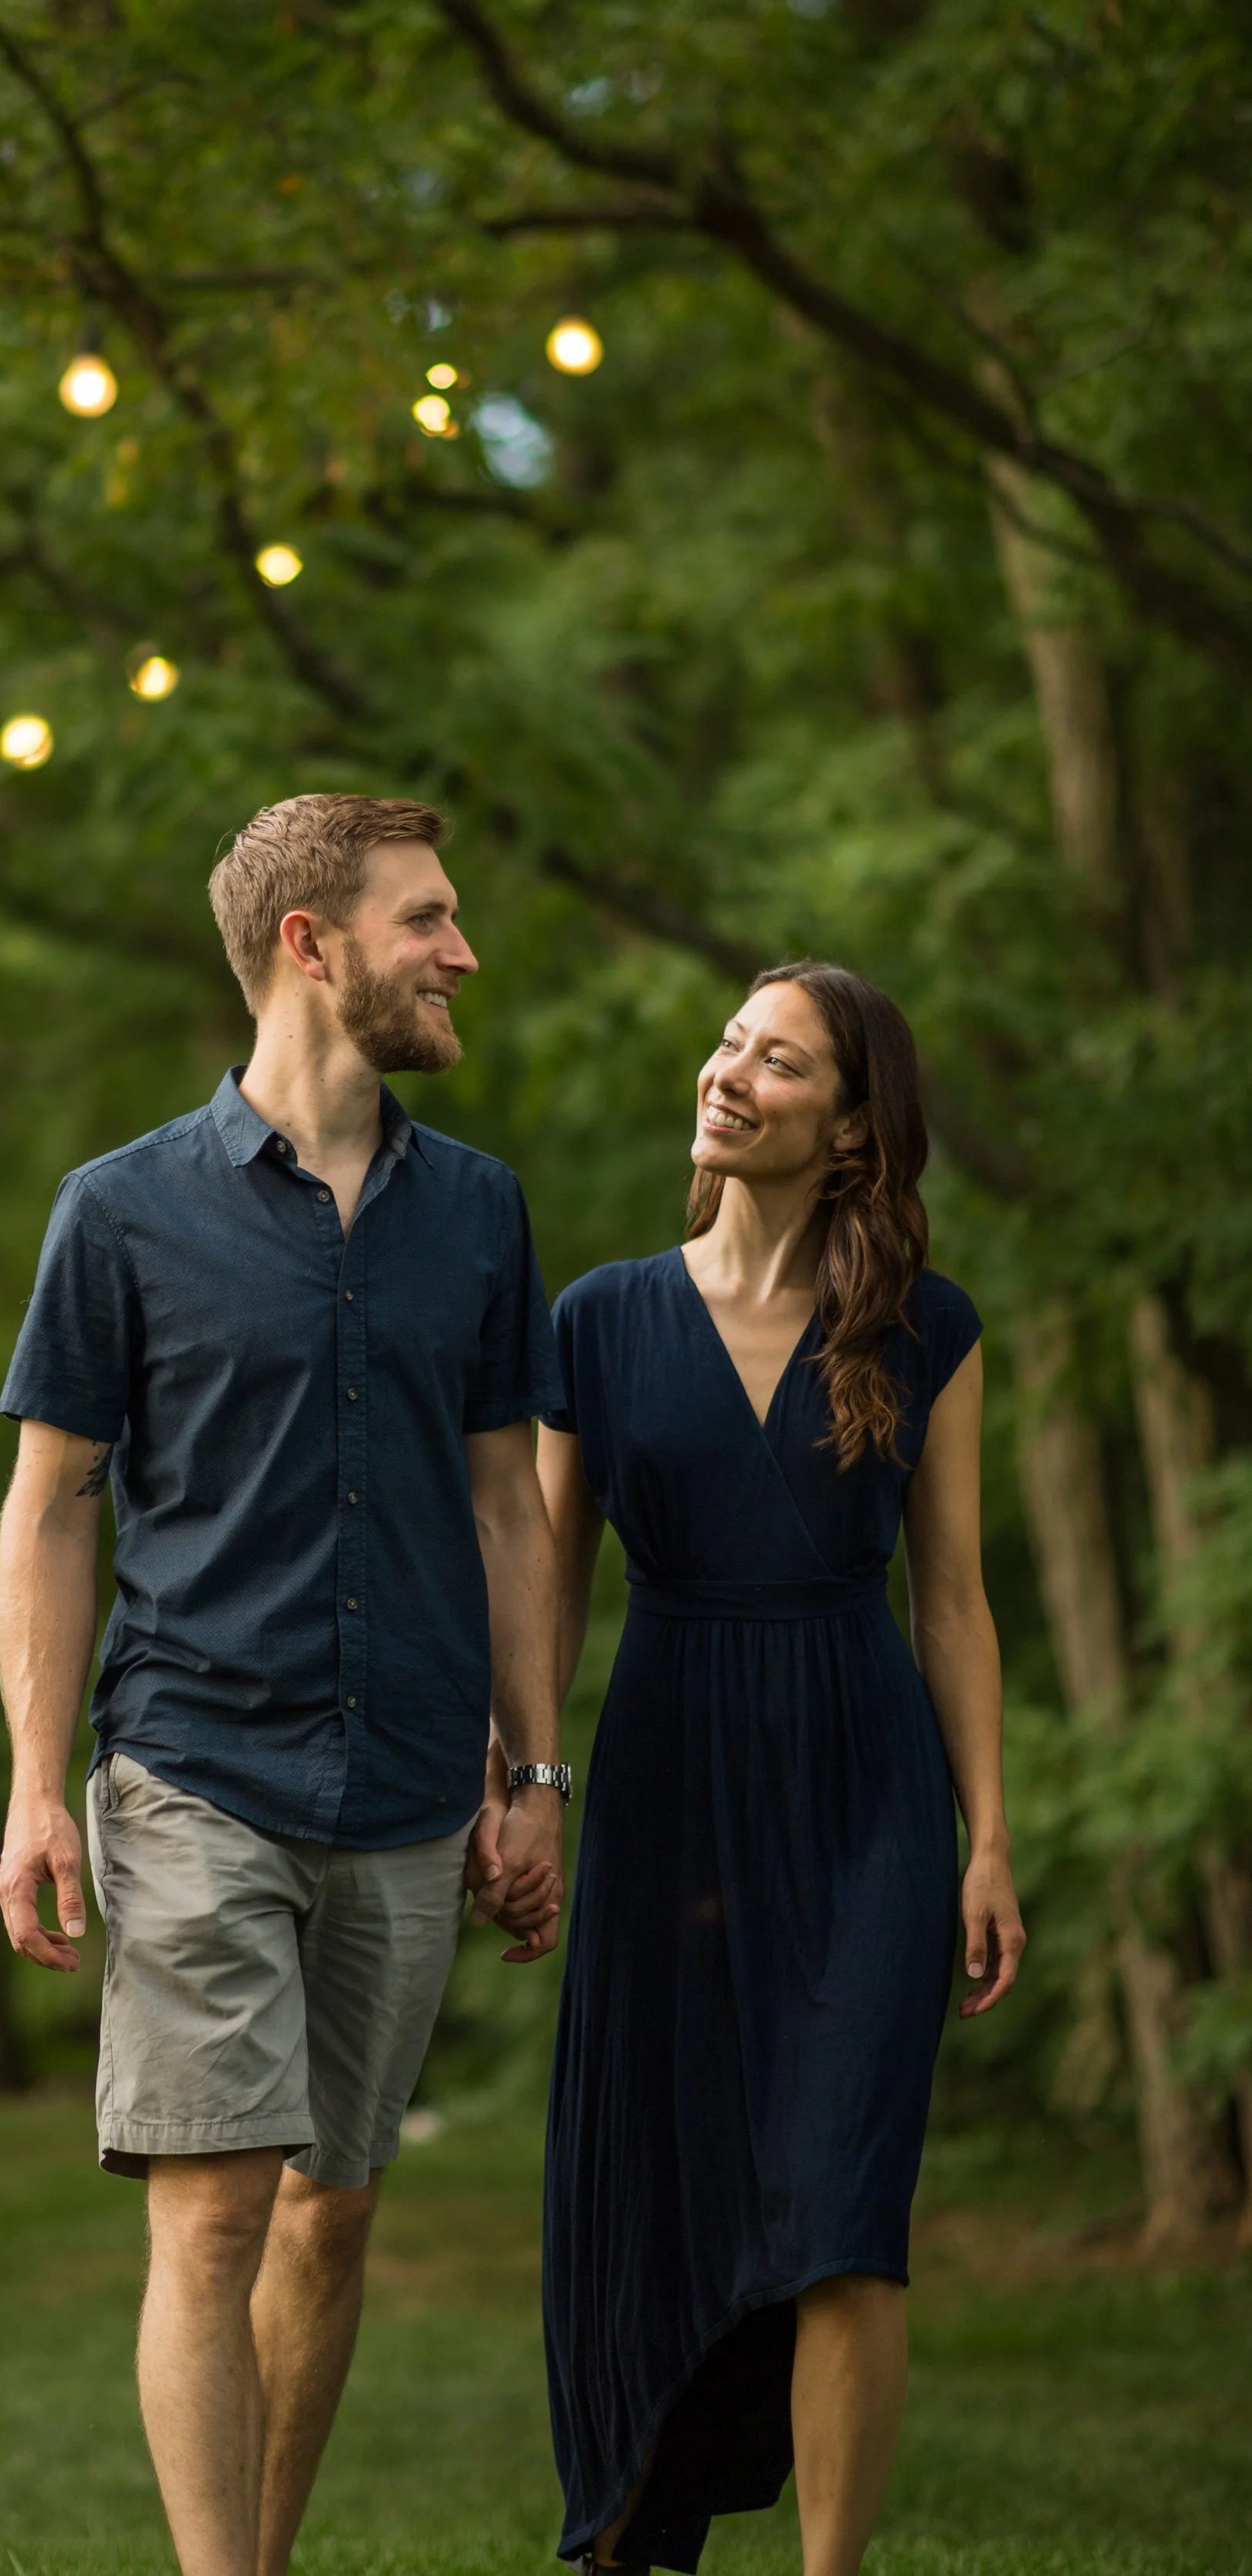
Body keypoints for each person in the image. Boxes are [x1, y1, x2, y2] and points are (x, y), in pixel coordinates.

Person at [0, 792, 568, 2576]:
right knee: (220, 2210)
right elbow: (48, 1508)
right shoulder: (120, 1215)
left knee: (330, 2214)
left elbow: (506, 1506)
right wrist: (32, 1783)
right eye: (425, 920)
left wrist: (535, 1778)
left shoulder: (474, 1213)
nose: (460, 952)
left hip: (402, 1785)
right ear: (309, 947)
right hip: (191, 1765)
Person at [533, 960, 1025, 2576]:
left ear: (851, 1125)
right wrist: (519, 1788)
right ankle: (626, 2528)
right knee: (650, 2184)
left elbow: (949, 1600)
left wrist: (985, 1839)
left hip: (864, 1790)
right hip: (668, 1782)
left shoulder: (925, 1328)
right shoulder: (595, 1322)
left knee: (844, 2210)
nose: (730, 1073)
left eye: (781, 1061)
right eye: (728, 1043)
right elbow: (538, 1588)